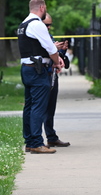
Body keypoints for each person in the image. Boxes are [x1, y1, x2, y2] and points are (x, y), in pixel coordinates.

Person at [17, 0, 62, 154]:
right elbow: (51, 49)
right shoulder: (37, 24)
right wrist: (57, 62)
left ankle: (29, 141)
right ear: (42, 8)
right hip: (38, 71)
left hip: (27, 68)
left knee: (29, 106)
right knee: (38, 107)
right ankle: (37, 143)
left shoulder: (23, 25)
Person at [42, 13, 70, 147]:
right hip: (41, 74)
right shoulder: (36, 35)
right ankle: (35, 140)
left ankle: (51, 136)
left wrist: (62, 51)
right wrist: (54, 49)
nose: (48, 28)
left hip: (52, 74)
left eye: (49, 25)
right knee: (41, 107)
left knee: (51, 107)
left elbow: (55, 55)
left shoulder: (49, 36)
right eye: (45, 25)